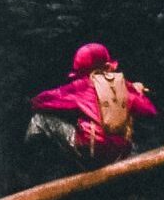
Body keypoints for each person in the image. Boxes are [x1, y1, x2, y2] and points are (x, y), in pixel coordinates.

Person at [25, 42, 156, 173]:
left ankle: (30, 167)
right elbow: (150, 111)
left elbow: (38, 102)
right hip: (121, 151)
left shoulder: (80, 86)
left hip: (92, 151)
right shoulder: (123, 85)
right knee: (130, 139)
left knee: (40, 119)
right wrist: (136, 90)